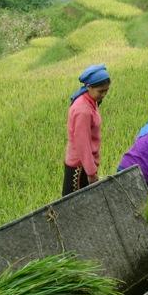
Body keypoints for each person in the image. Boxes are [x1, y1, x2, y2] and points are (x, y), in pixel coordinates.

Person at [63, 64, 111, 196]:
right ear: (89, 87)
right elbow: (82, 143)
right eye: (101, 91)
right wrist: (91, 172)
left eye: (106, 91)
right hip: (79, 168)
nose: (104, 95)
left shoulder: (90, 100)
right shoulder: (82, 110)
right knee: (74, 207)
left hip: (86, 163)